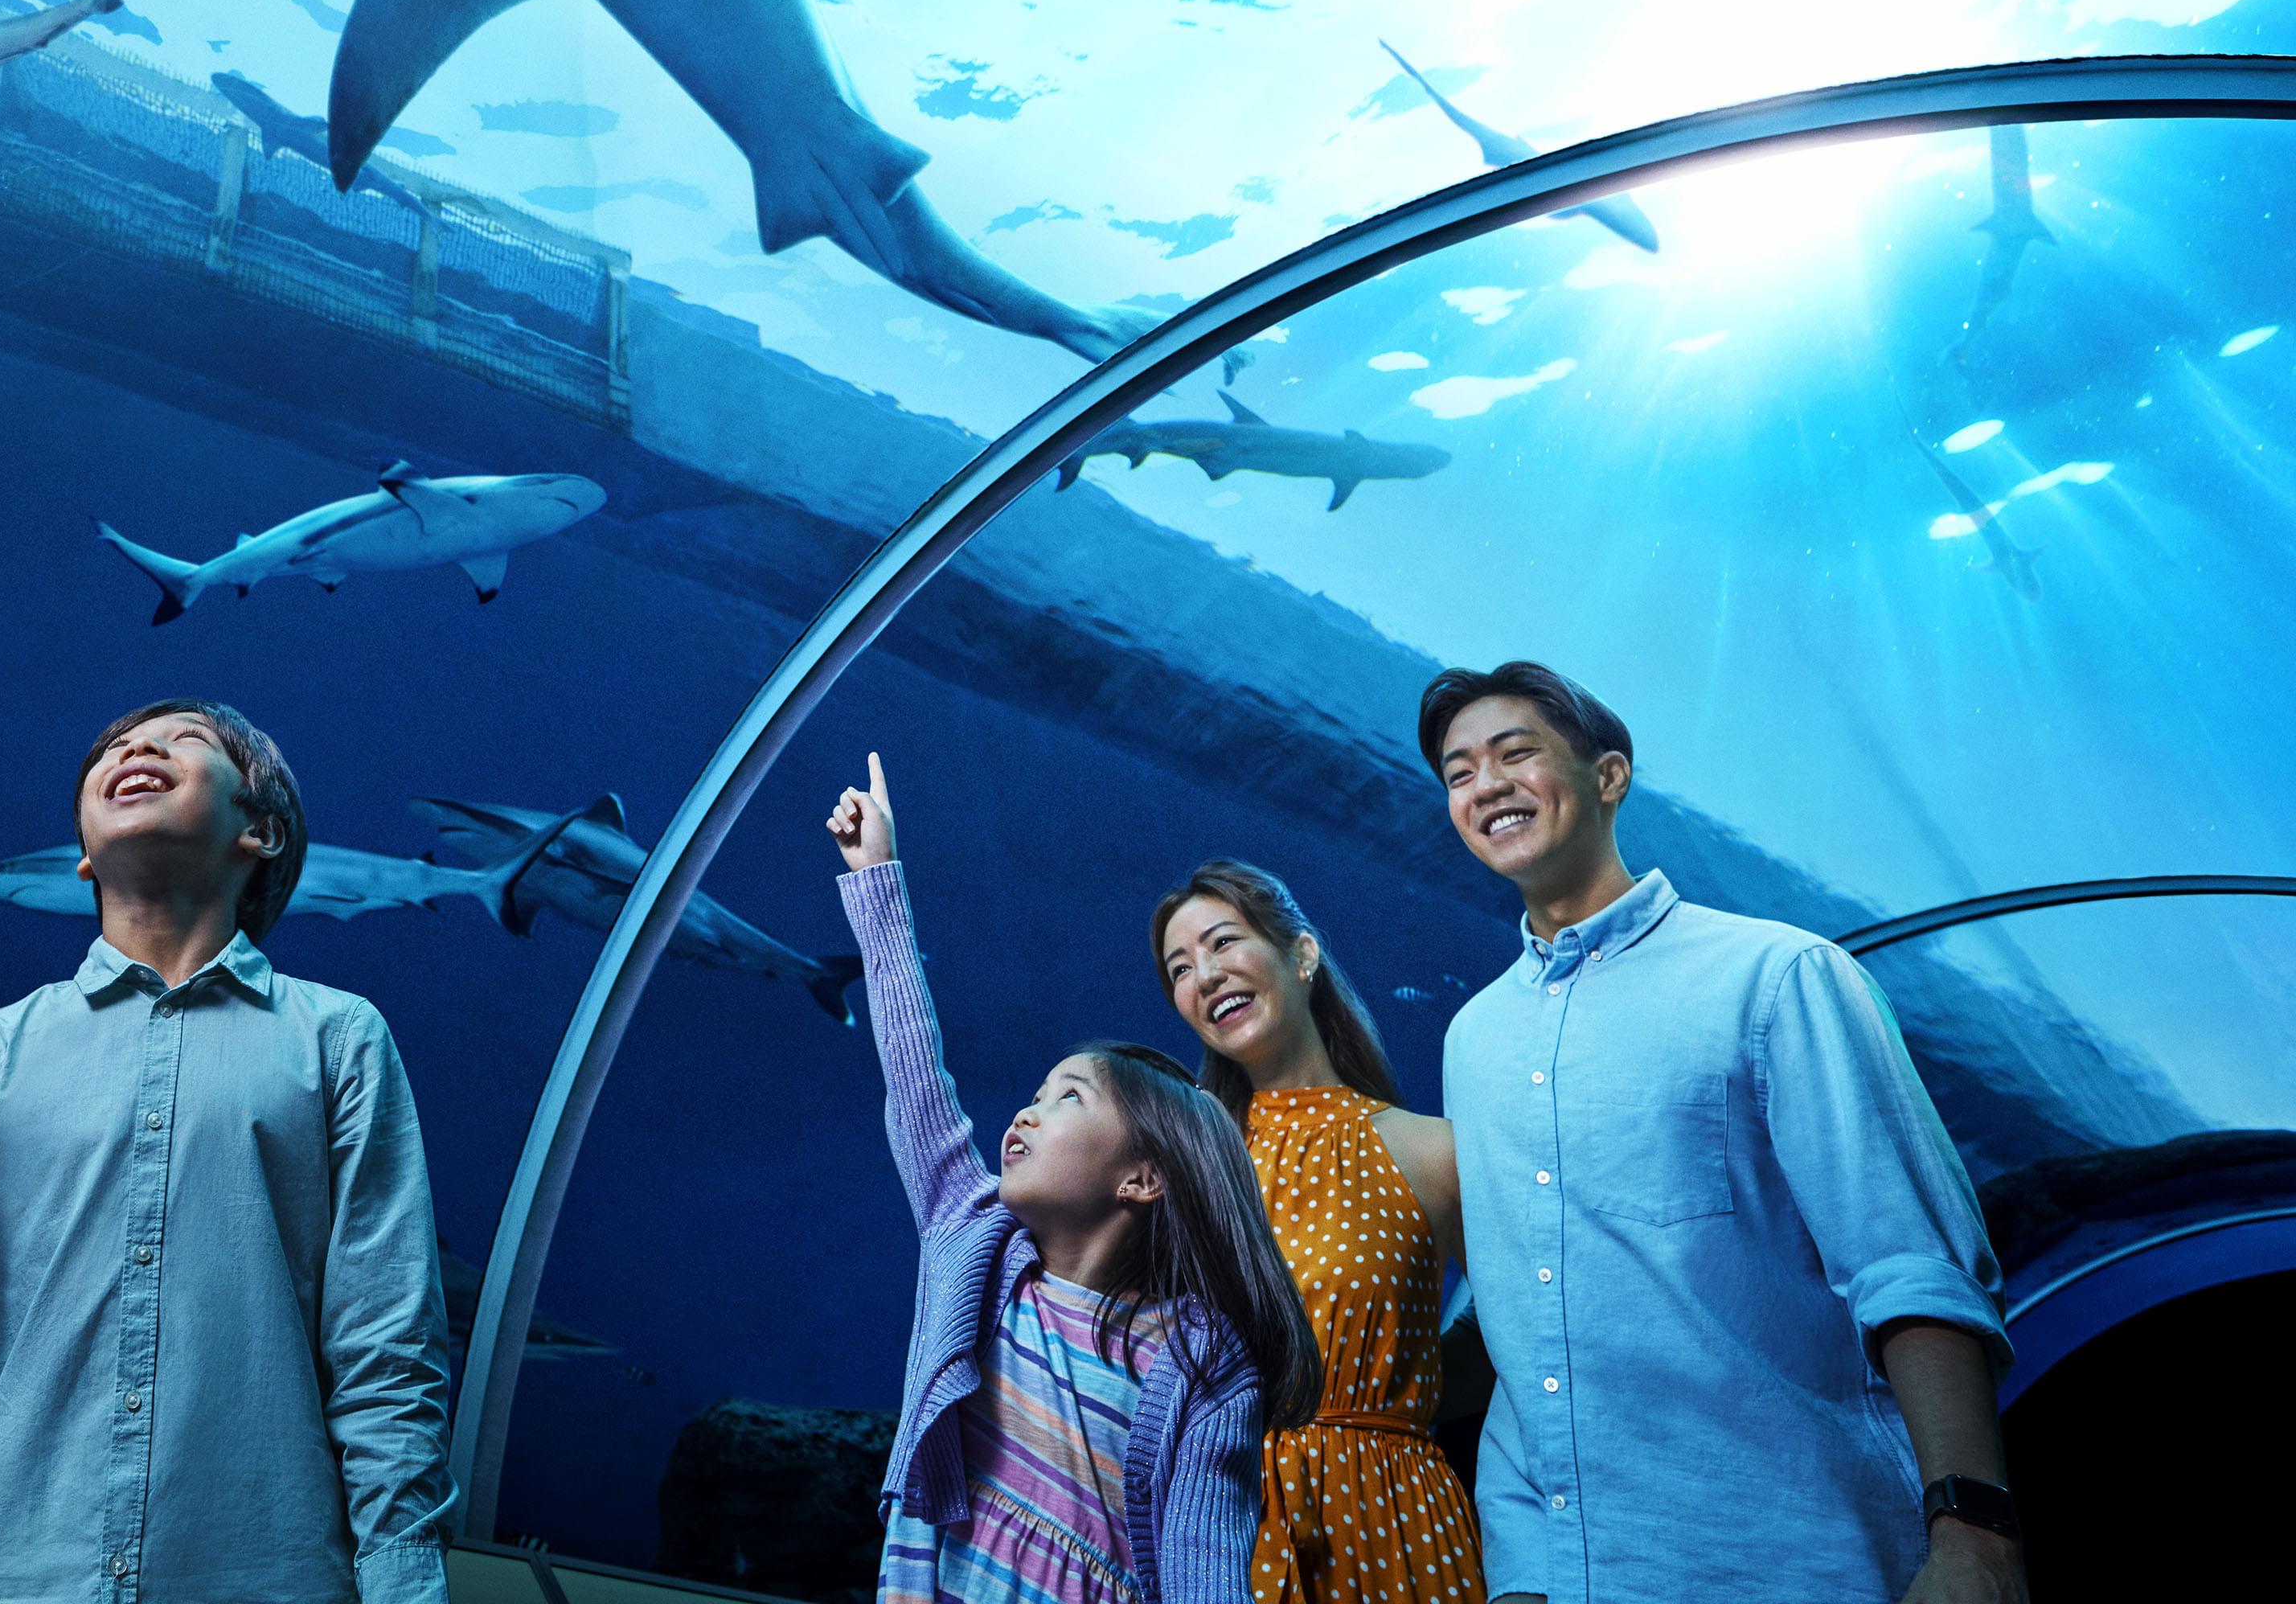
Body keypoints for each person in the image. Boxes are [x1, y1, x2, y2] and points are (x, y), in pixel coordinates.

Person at [0, 700, 454, 1604]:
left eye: (186, 740)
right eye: (115, 747)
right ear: (83, 852)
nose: (138, 747)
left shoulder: (341, 1040)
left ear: (263, 832)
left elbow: (388, 1354)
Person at [1423, 662, 2024, 1604]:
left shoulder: (1777, 976)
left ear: (1609, 775)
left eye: (1515, 753)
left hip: (1799, 1559)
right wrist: (1524, 1574)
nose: (1485, 785)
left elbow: (1910, 1265)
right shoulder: (1473, 1040)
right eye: (1458, 772)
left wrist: (1976, 1542)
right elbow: (1523, 1329)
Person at [828, 754, 1323, 1604]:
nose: (1023, 1114)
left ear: (1141, 1177)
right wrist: (877, 876)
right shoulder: (972, 1245)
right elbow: (916, 1080)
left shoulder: (1205, 1367)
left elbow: (1207, 1573)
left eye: (1066, 1099)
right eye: (1032, 1095)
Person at [1154, 862, 1482, 1604]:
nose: (1203, 976)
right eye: (1180, 969)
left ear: (1302, 955)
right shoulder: (1188, 1166)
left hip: (1398, 1524)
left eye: (1222, 943)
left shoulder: (1431, 1149)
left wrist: (1402, 1398)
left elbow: (1528, 1332)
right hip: (1220, 1530)